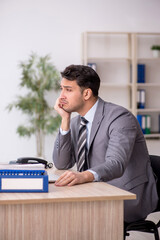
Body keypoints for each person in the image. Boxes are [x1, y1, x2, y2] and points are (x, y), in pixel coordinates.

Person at [53, 64, 158, 223]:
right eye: (61, 89)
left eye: (68, 90)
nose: (61, 96)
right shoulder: (76, 123)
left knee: (69, 215)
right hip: (95, 190)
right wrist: (65, 120)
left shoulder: (120, 117)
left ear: (86, 93)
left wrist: (83, 176)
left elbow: (116, 163)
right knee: (58, 211)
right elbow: (62, 163)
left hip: (126, 193)